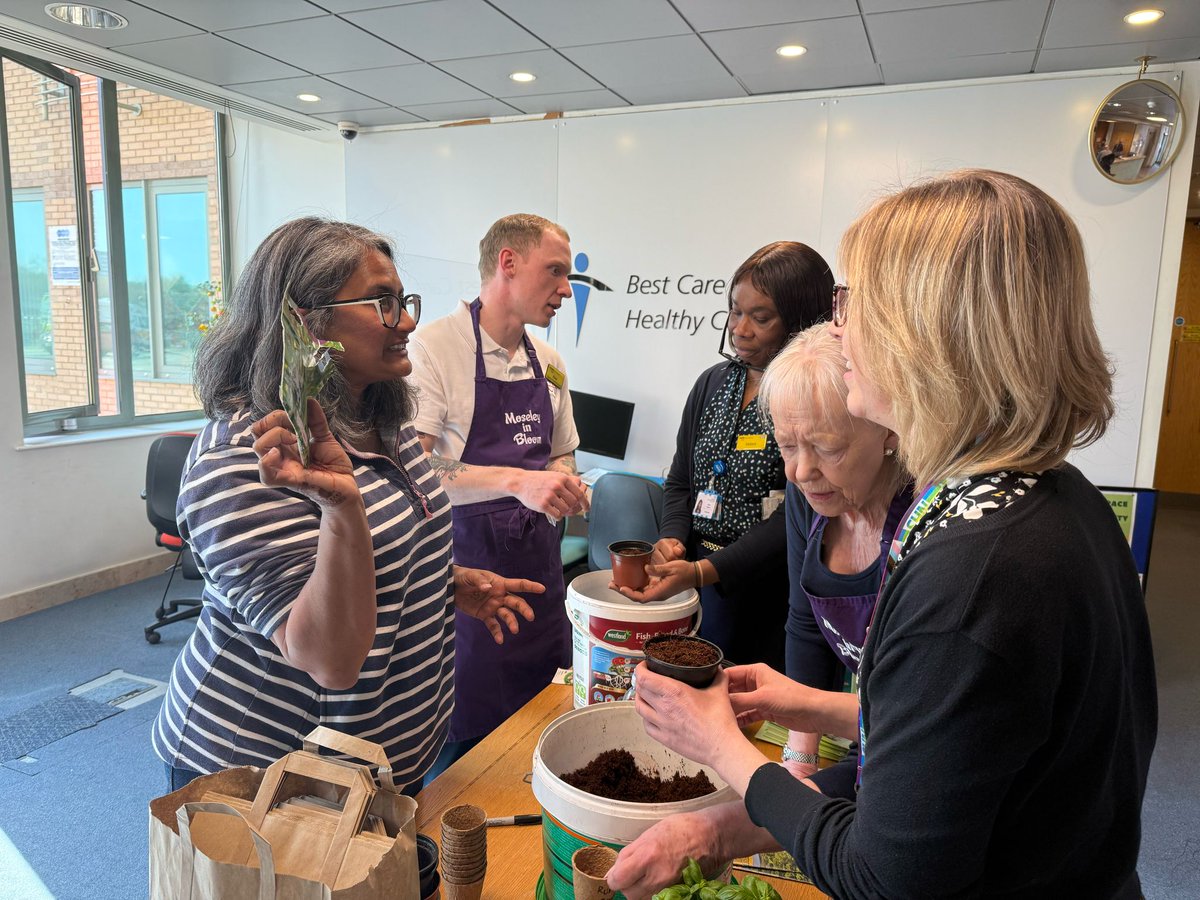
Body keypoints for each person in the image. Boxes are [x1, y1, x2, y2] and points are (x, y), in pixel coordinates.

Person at [617, 170, 1157, 898]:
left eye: (852, 304)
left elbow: (884, 878)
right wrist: (723, 826)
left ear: (929, 340)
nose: (837, 330)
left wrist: (724, 751)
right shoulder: (1048, 496)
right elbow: (924, 768)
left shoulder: (974, 574)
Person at [152, 217, 540, 793]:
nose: (407, 321)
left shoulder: (379, 415)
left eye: (403, 300)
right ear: (306, 323)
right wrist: (341, 508)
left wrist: (439, 581)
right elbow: (327, 658)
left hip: (376, 767)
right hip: (274, 781)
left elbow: (374, 551)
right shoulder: (248, 456)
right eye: (382, 303)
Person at [406, 213, 588, 778]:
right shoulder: (434, 349)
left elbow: (562, 451)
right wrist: (517, 481)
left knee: (542, 736)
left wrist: (563, 480)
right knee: (462, 759)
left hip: (539, 576)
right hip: (465, 584)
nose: (567, 289)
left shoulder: (550, 364)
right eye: (555, 271)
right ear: (508, 263)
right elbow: (415, 469)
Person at [619, 242, 832, 672]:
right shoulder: (712, 383)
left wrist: (705, 570)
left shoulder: (811, 397)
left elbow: (798, 515)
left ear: (800, 321)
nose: (740, 329)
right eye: (735, 312)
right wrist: (672, 538)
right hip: (701, 587)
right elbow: (681, 480)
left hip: (772, 596)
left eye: (761, 318)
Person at [760, 323, 911, 781]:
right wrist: (800, 759)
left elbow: (920, 714)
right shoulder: (809, 499)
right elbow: (805, 625)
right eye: (787, 446)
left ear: (887, 430)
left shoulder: (925, 516)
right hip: (868, 727)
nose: (801, 471)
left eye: (827, 448)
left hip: (915, 737)